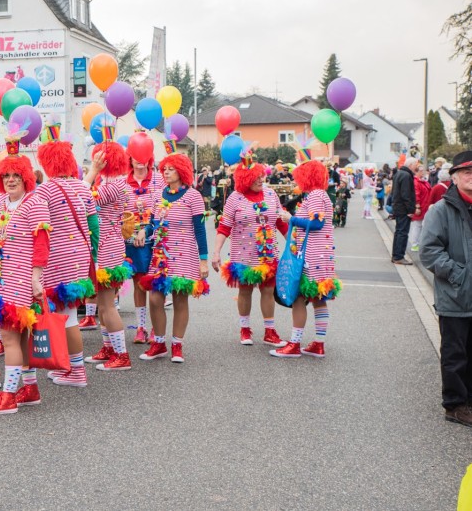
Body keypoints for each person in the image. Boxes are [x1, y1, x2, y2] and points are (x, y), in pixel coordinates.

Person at [0, 138, 51, 415]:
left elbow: (42, 245)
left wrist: (36, 278)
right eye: (5, 175)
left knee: (9, 337)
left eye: (15, 175)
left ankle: (7, 396)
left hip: (21, 278)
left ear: (26, 177)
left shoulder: (36, 203)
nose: (10, 180)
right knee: (17, 338)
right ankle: (29, 389)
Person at [35, 127, 98, 387]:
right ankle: (72, 368)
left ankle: (76, 371)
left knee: (67, 316)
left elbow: (39, 230)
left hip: (56, 259)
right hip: (79, 258)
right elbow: (94, 226)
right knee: (69, 312)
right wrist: (90, 253)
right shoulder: (83, 189)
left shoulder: (44, 191)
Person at [138, 149, 209, 363]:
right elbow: (152, 223)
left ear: (182, 171)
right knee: (155, 298)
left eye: (171, 169)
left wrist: (203, 260)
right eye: (164, 169)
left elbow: (200, 230)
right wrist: (144, 230)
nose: (166, 173)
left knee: (180, 299)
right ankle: (159, 343)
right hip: (161, 256)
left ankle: (177, 345)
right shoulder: (159, 195)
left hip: (184, 254)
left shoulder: (193, 196)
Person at [420, 150, 472, 427]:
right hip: (455, 295)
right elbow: (428, 251)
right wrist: (458, 274)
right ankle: (455, 404)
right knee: (455, 354)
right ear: (454, 177)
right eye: (467, 172)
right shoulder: (441, 210)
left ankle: (469, 400)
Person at [212, 154, 287, 347]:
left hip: (268, 254)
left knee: (268, 290)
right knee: (245, 291)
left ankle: (269, 331)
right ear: (245, 179)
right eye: (256, 177)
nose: (261, 180)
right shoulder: (235, 198)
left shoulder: (271, 195)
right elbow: (224, 227)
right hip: (243, 255)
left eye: (262, 176)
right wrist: (216, 252)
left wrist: (295, 245)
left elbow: (281, 223)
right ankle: (245, 329)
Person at [272, 159, 341, 358]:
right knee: (318, 299)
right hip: (320, 254)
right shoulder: (319, 195)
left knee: (299, 298)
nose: (297, 181)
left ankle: (294, 344)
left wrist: (290, 219)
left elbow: (317, 223)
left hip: (311, 255)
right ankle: (318, 344)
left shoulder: (317, 195)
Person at [82, 140, 135, 371]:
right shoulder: (120, 183)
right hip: (111, 246)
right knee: (105, 304)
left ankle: (121, 355)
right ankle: (109, 348)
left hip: (106, 248)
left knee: (107, 305)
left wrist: (91, 173)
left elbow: (82, 196)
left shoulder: (111, 186)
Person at [122, 134, 164, 344]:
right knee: (139, 283)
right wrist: (128, 231)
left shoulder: (159, 180)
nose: (139, 159)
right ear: (129, 158)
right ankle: (141, 327)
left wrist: (146, 231)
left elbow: (163, 210)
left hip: (155, 239)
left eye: (143, 155)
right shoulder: (122, 182)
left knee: (156, 283)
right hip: (131, 242)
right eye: (135, 155)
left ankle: (158, 327)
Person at [390, 157, 418, 265]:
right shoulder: (406, 175)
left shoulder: (399, 173)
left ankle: (396, 256)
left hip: (398, 207)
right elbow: (406, 194)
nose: (416, 167)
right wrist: (411, 209)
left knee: (399, 232)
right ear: (411, 165)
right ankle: (399, 257)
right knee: (402, 233)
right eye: (416, 164)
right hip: (403, 209)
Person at [409, 162, 432, 252]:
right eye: (421, 170)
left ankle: (417, 243)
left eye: (423, 170)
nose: (423, 172)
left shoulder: (422, 181)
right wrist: (417, 207)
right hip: (421, 206)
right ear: (416, 171)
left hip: (425, 206)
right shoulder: (416, 181)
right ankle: (414, 244)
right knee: (417, 225)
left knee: (420, 225)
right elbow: (416, 194)